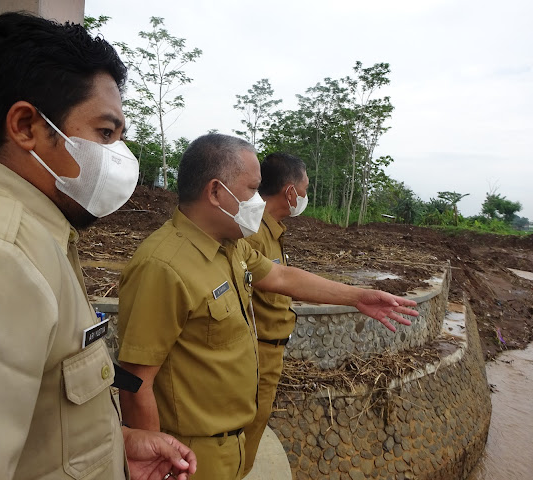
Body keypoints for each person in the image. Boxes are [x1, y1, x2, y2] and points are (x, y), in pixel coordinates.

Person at [0, 12, 195, 480]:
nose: (119, 157)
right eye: (105, 133)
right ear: (26, 127)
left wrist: (110, 448)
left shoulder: (40, 241)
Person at [116, 134, 418, 480]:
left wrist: (358, 296)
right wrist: (161, 461)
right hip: (188, 455)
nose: (258, 202)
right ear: (215, 192)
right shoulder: (163, 266)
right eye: (251, 190)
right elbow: (136, 382)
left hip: (230, 444)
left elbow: (281, 277)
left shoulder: (230, 247)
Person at [241, 152, 308, 476]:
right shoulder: (252, 232)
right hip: (256, 353)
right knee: (245, 431)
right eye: (305, 189)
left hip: (269, 353)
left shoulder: (273, 231)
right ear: (290, 193)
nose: (306, 198)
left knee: (253, 426)